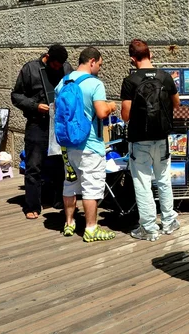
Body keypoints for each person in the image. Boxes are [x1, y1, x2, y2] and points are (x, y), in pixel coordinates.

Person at [55, 46, 117, 242]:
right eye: (99, 64)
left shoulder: (63, 82)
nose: (99, 68)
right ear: (92, 61)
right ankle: (91, 228)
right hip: (89, 145)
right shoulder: (94, 84)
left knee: (70, 183)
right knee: (91, 186)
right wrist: (111, 106)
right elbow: (101, 112)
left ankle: (69, 223)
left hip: (66, 145)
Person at [120, 39, 180, 241]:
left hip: (139, 139)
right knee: (163, 179)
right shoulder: (165, 77)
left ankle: (148, 228)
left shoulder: (130, 81)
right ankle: (169, 221)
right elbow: (177, 103)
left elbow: (126, 116)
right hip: (162, 137)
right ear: (150, 54)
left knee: (143, 183)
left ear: (132, 59)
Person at [11, 44, 73, 219]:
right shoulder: (30, 69)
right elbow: (16, 96)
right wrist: (35, 106)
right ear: (47, 57)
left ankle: (60, 200)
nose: (58, 68)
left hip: (60, 125)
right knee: (34, 165)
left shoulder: (66, 68)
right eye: (55, 65)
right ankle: (32, 205)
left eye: (61, 65)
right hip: (37, 124)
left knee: (62, 164)